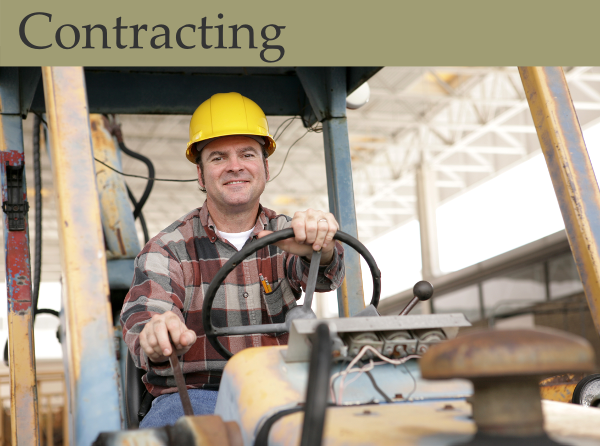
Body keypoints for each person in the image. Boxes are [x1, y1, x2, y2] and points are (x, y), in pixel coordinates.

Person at [120, 92, 345, 428]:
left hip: (283, 386)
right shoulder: (168, 247)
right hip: (196, 394)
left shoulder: (288, 233)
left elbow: (326, 274)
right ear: (200, 175)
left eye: (247, 154)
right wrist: (156, 331)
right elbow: (145, 314)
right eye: (218, 158)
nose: (235, 166)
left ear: (265, 168)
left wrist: (322, 246)